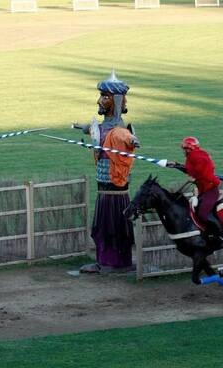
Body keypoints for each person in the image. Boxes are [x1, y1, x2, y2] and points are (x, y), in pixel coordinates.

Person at [72, 70, 139, 273]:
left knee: (115, 227)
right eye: (101, 96)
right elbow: (93, 130)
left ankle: (116, 262)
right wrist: (81, 127)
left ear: (117, 101)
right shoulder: (102, 129)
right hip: (103, 190)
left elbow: (126, 139)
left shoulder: (120, 131)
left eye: (105, 96)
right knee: (104, 227)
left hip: (116, 189)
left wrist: (133, 141)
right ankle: (105, 260)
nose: (100, 101)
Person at [168, 137, 223, 245]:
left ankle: (222, 235)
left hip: (210, 190)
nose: (184, 151)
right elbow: (191, 170)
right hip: (203, 191)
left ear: (190, 148)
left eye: (185, 148)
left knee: (202, 214)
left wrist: (196, 178)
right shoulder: (192, 156)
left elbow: (205, 174)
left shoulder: (197, 157)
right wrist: (176, 165)